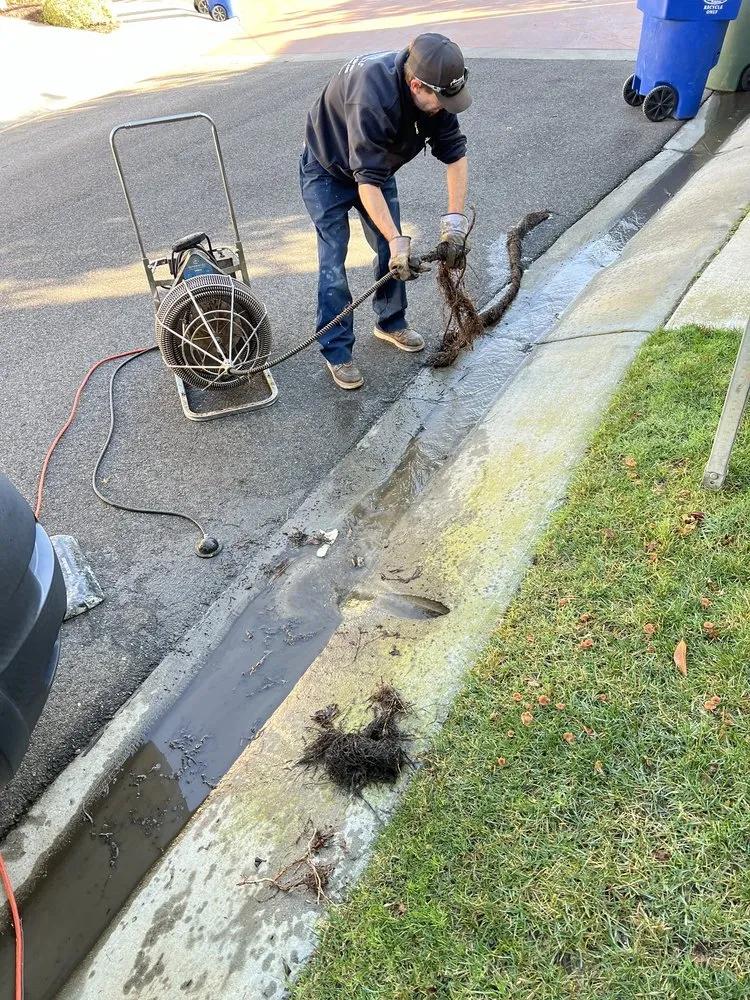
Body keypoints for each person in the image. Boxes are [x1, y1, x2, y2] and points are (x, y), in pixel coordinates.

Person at [300, 32, 472, 390]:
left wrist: (455, 224)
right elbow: (366, 185)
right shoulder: (372, 98)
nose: (444, 107)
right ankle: (336, 350)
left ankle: (390, 322)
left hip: (376, 168)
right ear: (415, 85)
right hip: (328, 168)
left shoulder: (436, 92)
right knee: (334, 258)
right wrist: (397, 239)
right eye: (440, 100)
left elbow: (455, 156)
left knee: (388, 249)